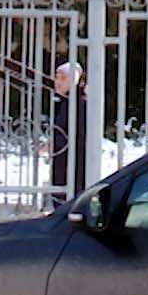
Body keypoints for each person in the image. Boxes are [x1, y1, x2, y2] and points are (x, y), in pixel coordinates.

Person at [49, 60, 89, 204]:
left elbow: (78, 135)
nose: (58, 82)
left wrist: (56, 143)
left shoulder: (78, 103)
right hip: (64, 160)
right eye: (57, 77)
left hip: (73, 163)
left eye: (63, 78)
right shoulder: (65, 101)